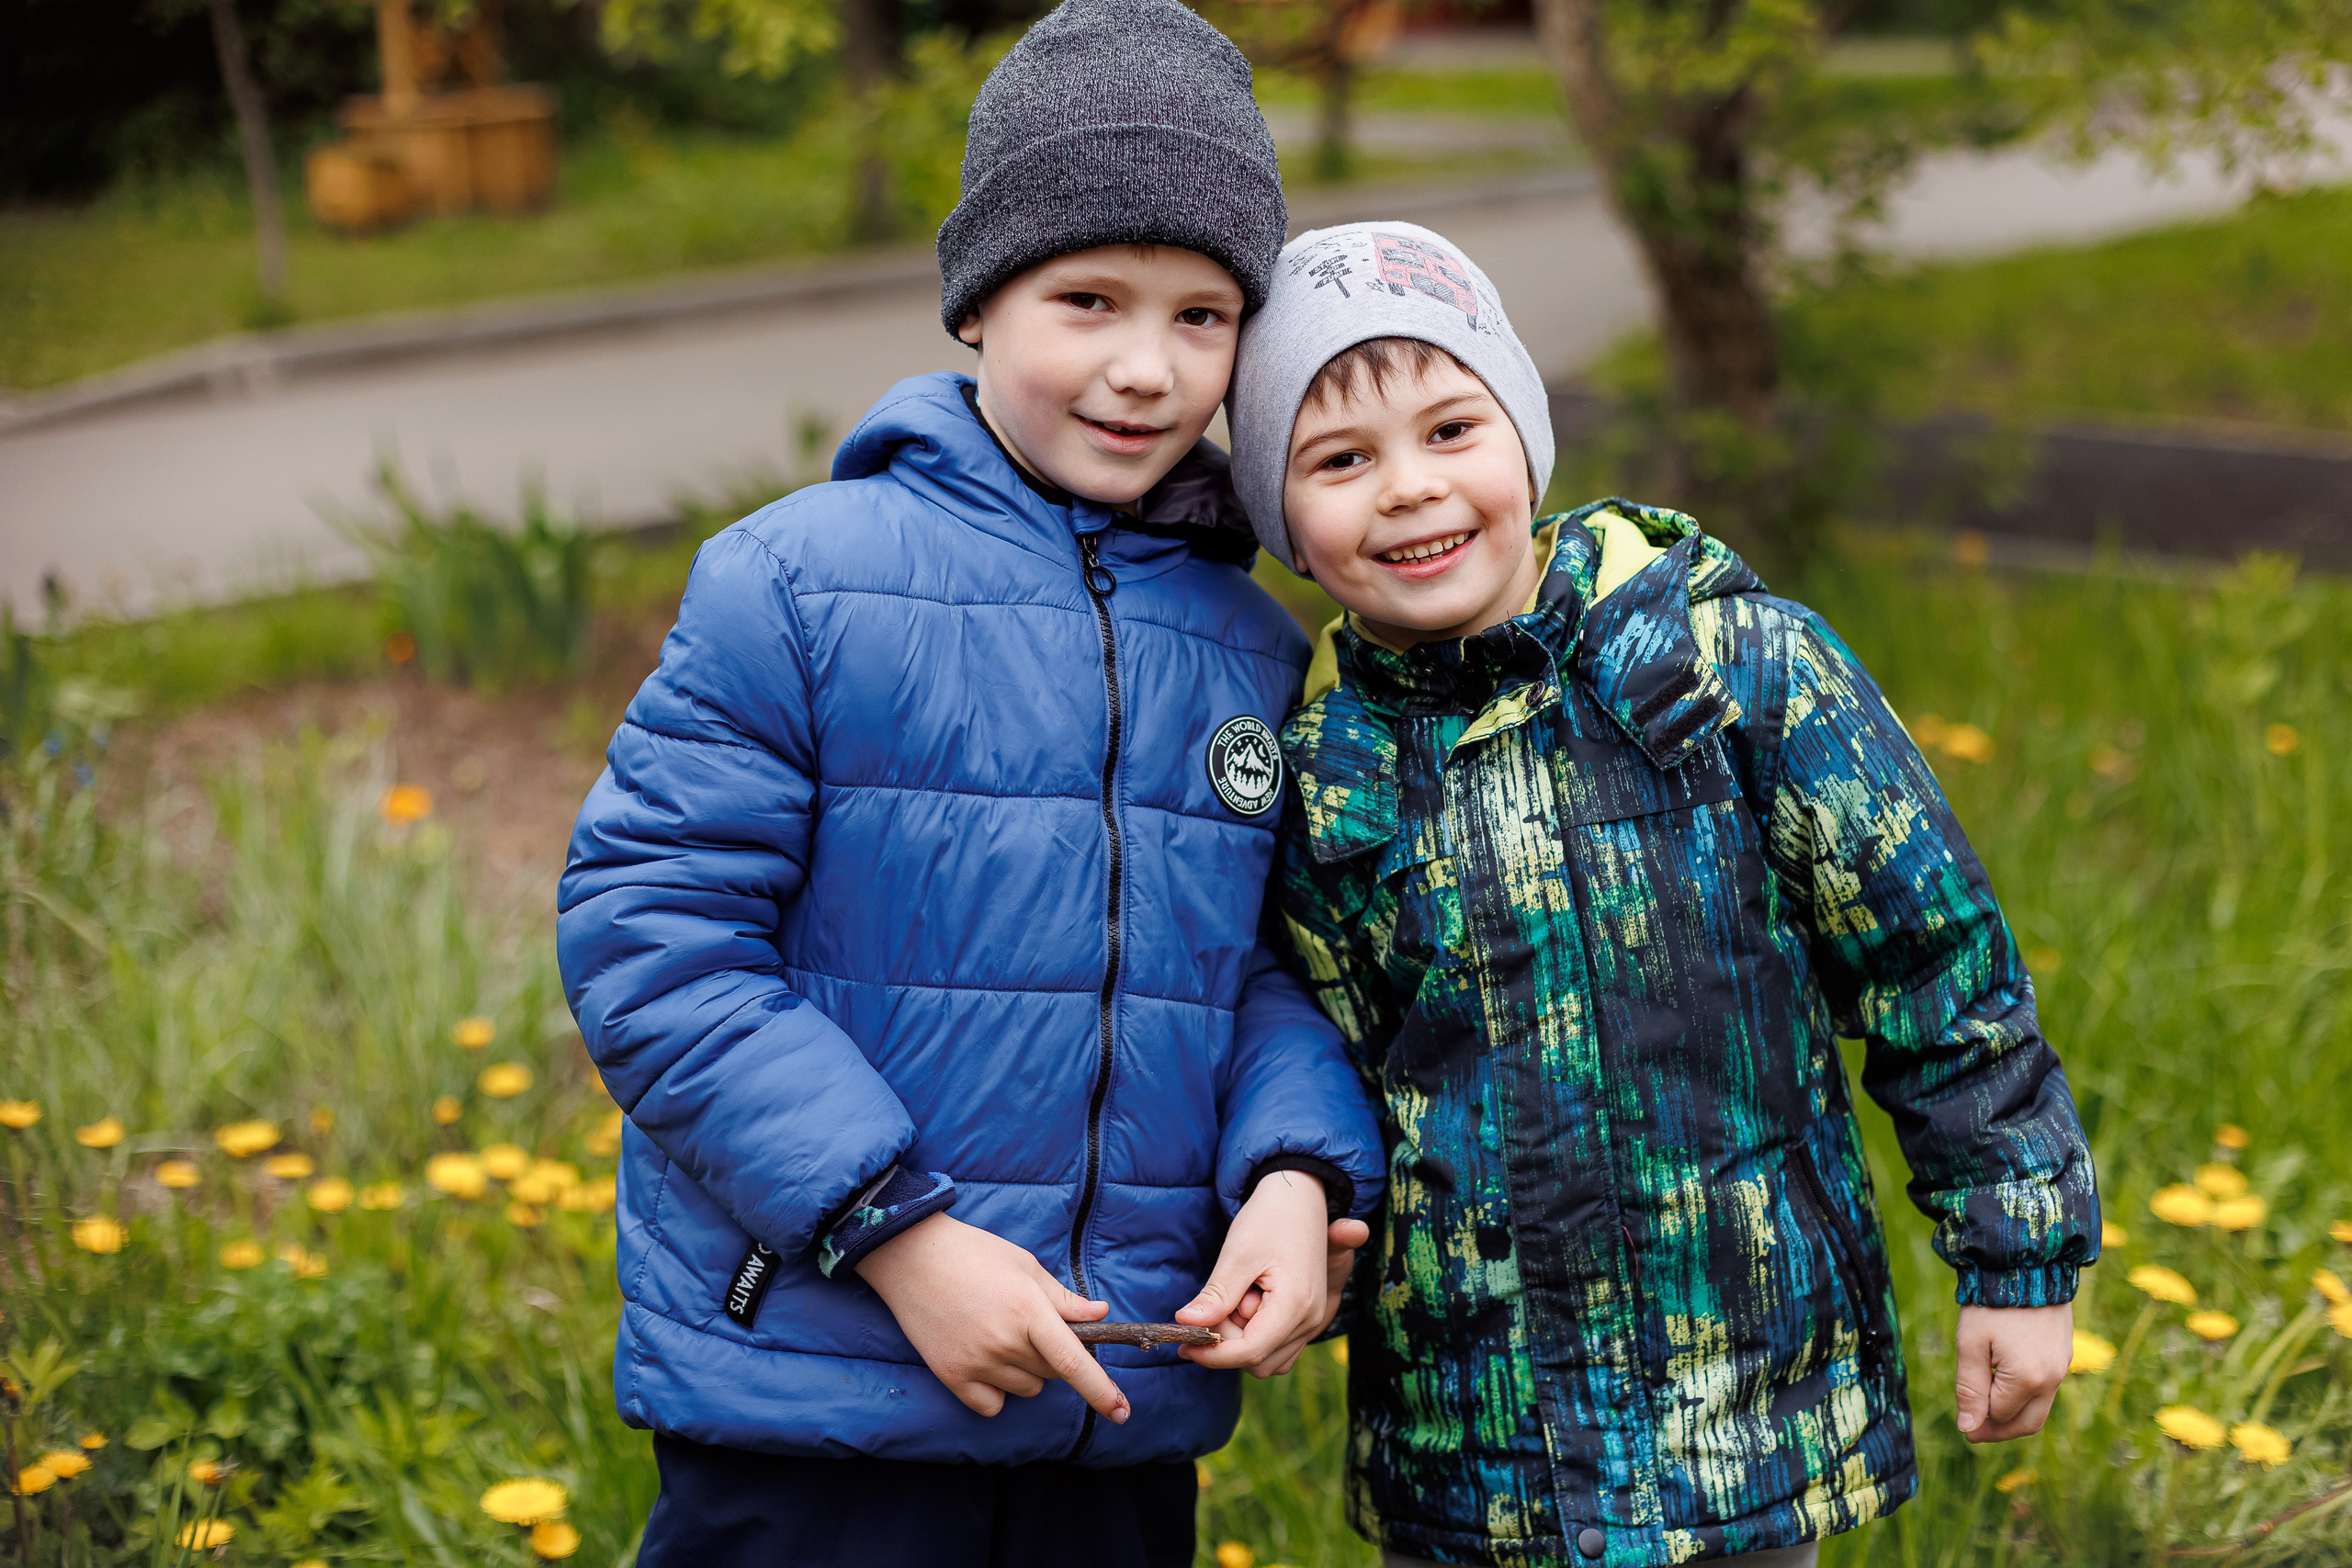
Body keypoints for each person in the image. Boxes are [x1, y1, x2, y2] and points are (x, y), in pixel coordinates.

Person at [555, 8, 1384, 1565]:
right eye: (1089, 301)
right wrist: (900, 1236)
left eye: (1203, 319)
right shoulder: (798, 584)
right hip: (820, 1400)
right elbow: (652, 938)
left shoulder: (1245, 641)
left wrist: (1291, 1172)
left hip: (1115, 1400)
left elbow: (1254, 969)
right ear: (980, 303)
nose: (1146, 368)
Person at [1227, 220, 2100, 1568]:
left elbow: (1936, 967)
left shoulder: (1727, 669)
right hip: (1476, 1454)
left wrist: (2021, 1260)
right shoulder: (1329, 778)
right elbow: (1337, 1076)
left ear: (1526, 434)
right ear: (1283, 519)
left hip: (1737, 1418)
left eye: (1452, 430)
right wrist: (1310, 1256)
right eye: (1340, 460)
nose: (1407, 489)